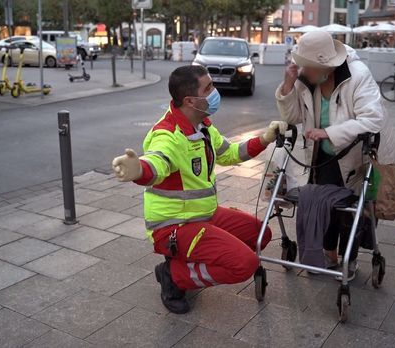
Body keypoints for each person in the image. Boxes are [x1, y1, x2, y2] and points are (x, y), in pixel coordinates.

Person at [111, 65, 286, 314]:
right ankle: (173, 275)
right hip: (174, 227)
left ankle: (186, 261)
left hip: (204, 215)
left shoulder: (202, 125)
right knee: (245, 265)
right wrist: (139, 169)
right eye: (209, 87)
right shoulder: (168, 134)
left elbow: (230, 153)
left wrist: (265, 138)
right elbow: (158, 162)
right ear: (190, 100)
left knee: (261, 235)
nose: (215, 91)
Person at [275, 30, 395, 281]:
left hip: (356, 156)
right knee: (325, 207)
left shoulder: (357, 76)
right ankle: (329, 254)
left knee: (352, 211)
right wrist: (288, 86)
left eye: (308, 67)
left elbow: (372, 119)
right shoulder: (305, 80)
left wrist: (329, 132)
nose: (303, 71)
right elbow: (291, 117)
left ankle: (349, 259)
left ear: (326, 66)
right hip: (320, 157)